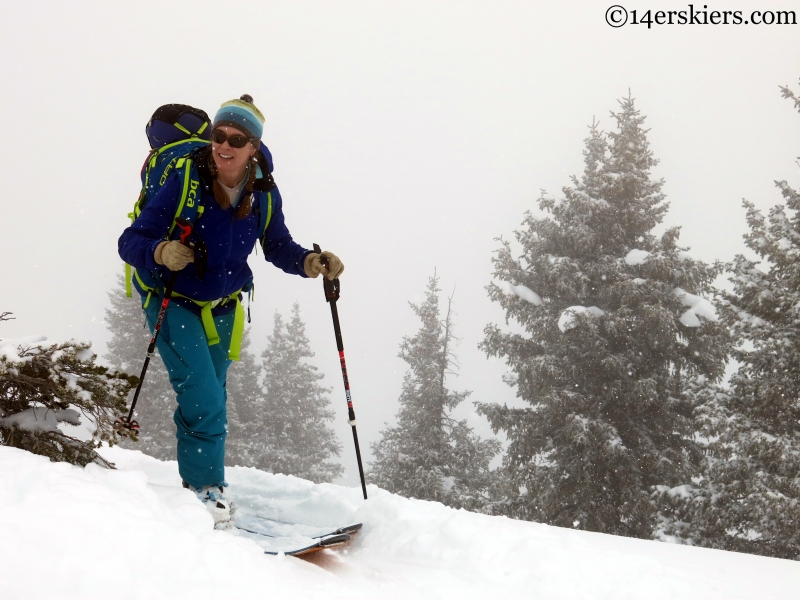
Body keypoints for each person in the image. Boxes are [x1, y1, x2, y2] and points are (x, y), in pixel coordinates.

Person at [118, 95, 344, 528]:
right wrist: (161, 251)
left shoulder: (261, 189)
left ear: (253, 147)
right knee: (202, 394)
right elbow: (131, 240)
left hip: (223, 305)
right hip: (171, 300)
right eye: (218, 135)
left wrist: (309, 263)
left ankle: (200, 485)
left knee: (211, 396)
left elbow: (276, 245)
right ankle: (206, 490)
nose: (225, 144)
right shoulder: (185, 178)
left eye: (237, 138)